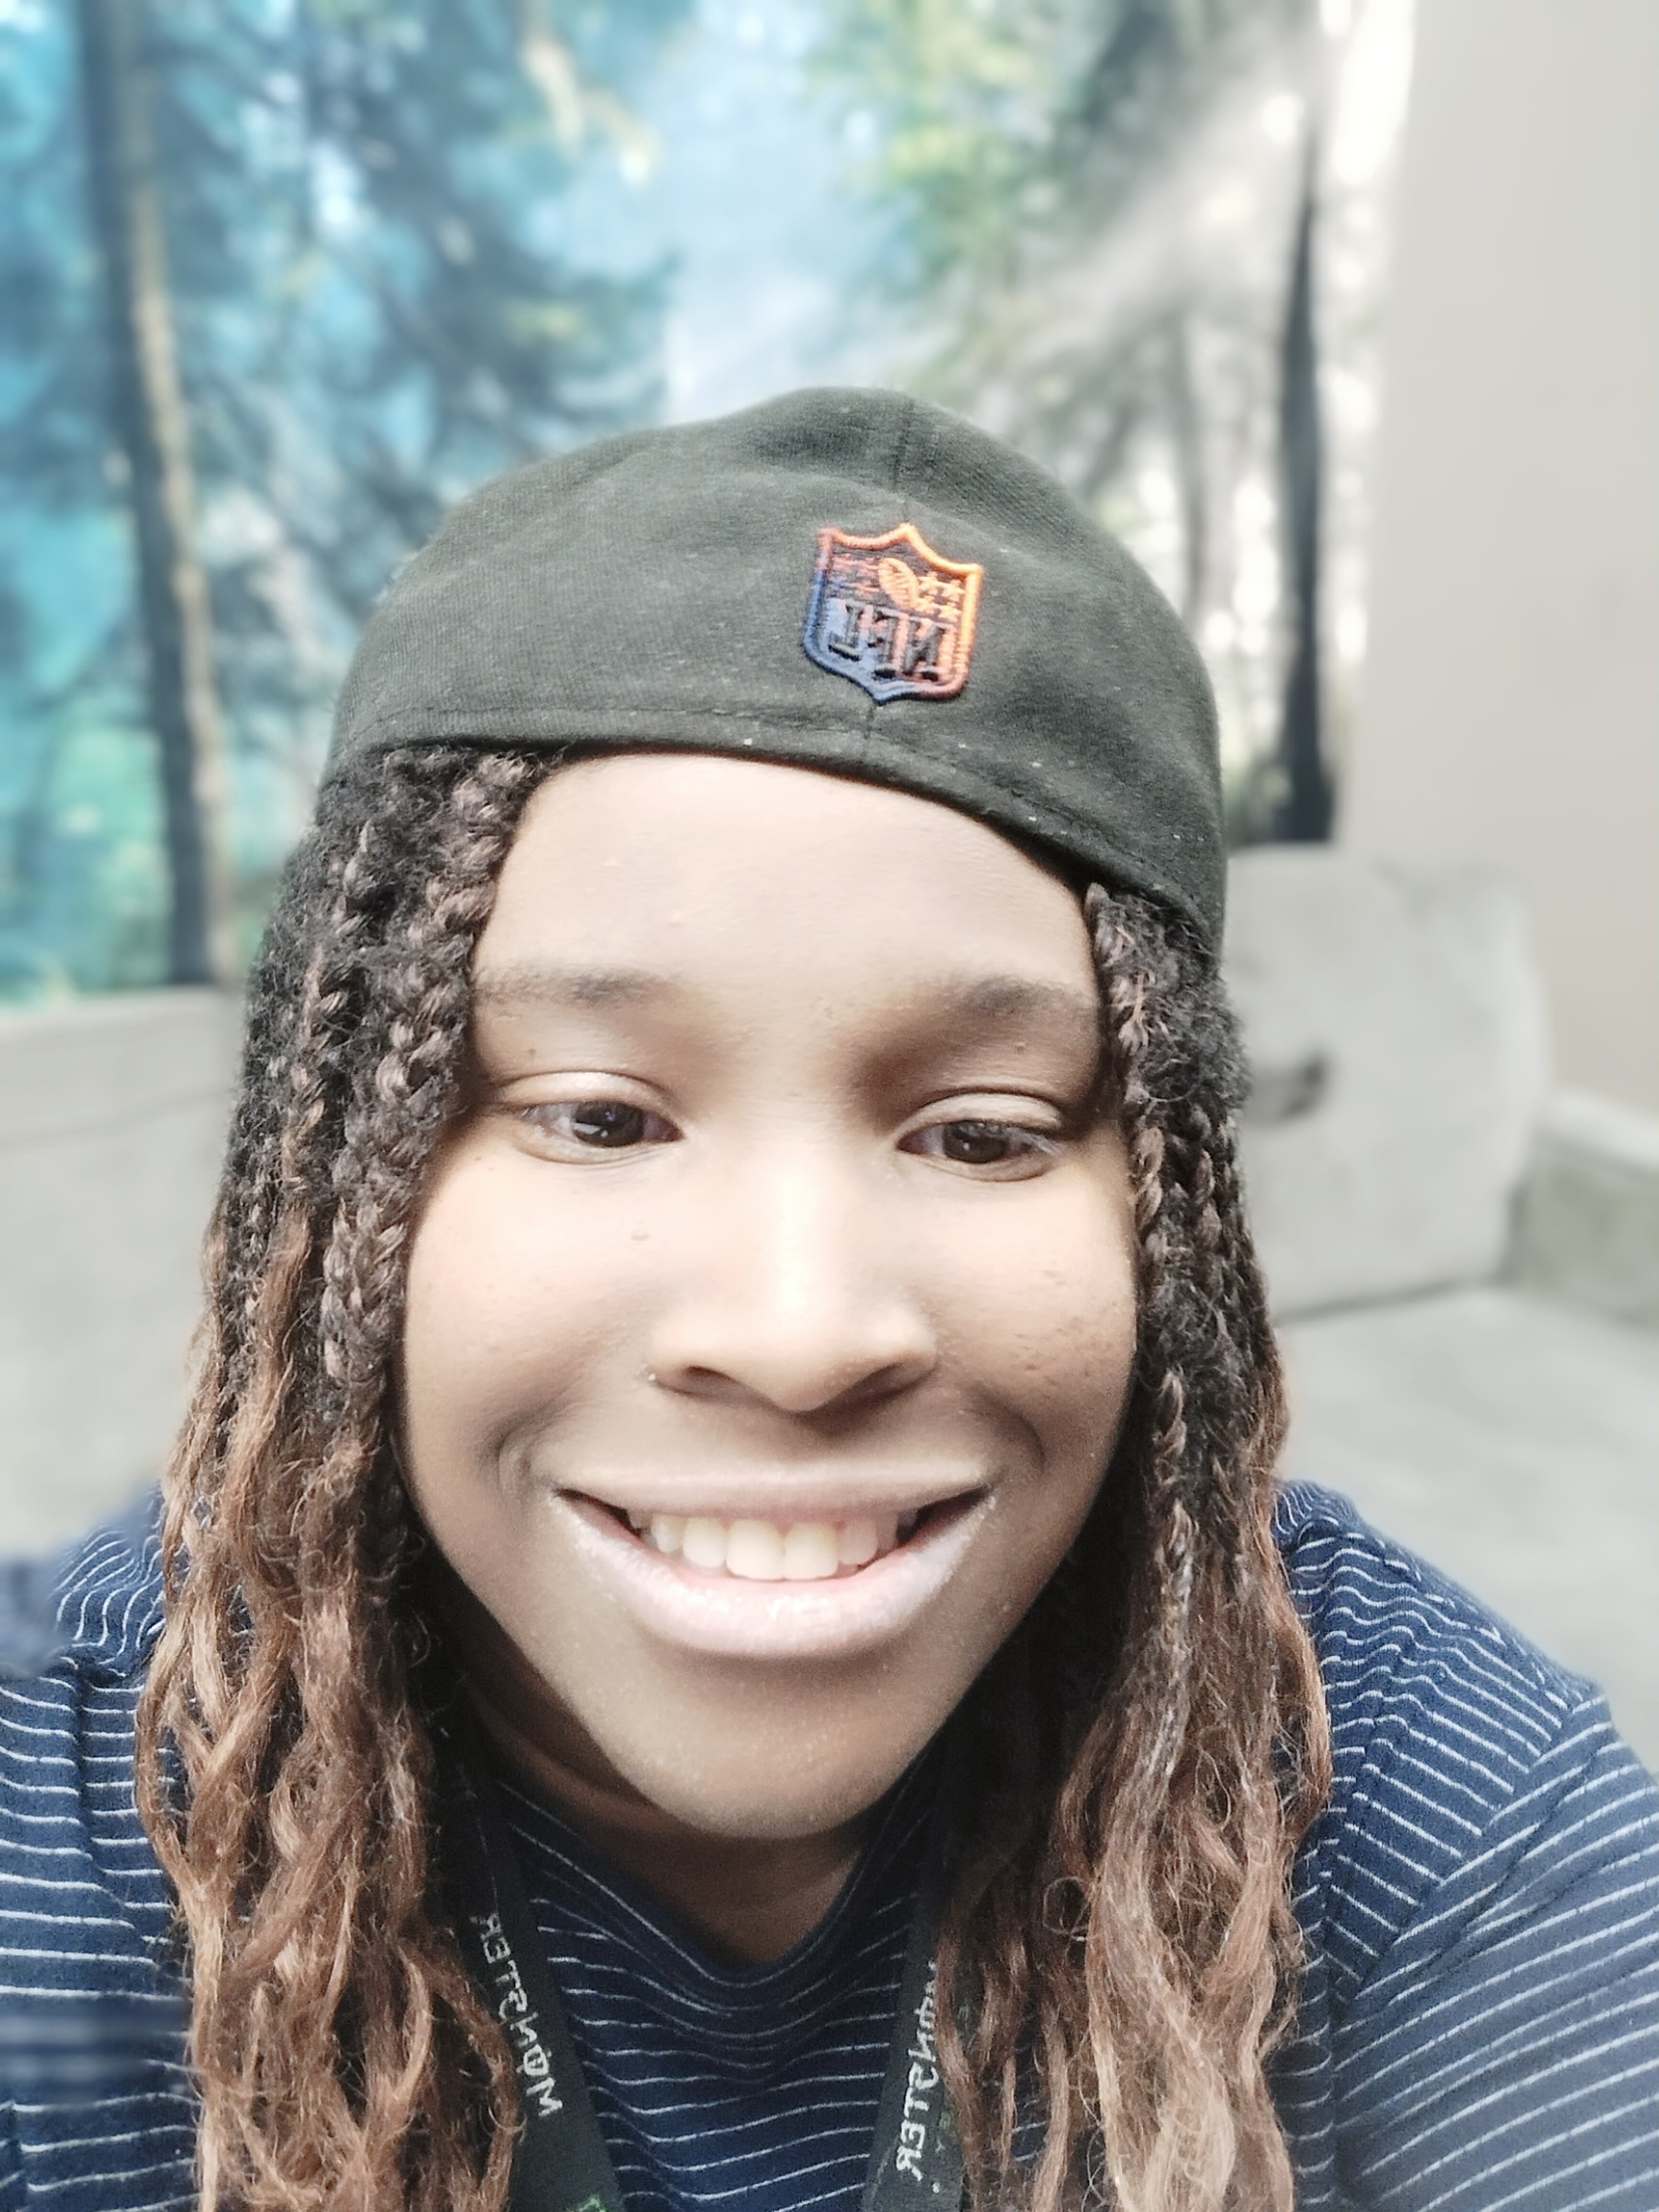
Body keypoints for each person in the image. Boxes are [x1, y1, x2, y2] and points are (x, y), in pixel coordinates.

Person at [1, 389, 1655, 2212]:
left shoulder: (1397, 1770)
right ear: (346, 1182)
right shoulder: (58, 1829)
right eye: (599, 1117)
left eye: (982, 1135)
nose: (799, 1336)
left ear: (1165, 1227)